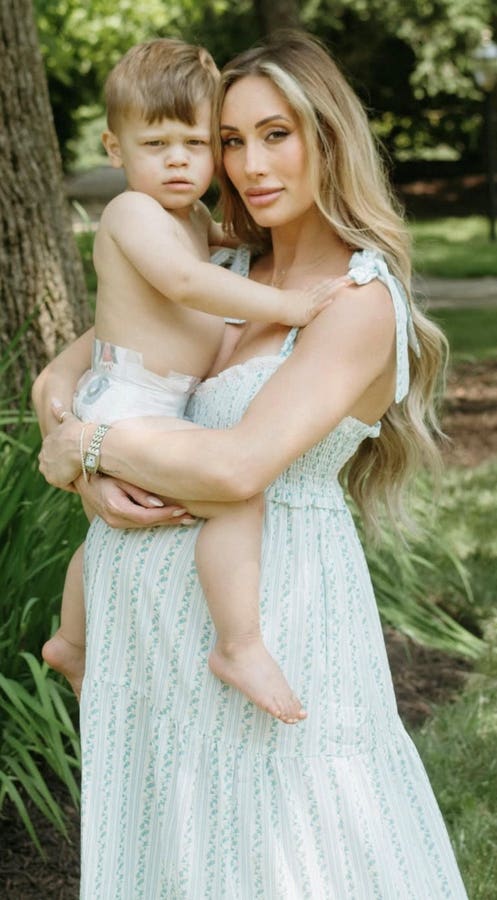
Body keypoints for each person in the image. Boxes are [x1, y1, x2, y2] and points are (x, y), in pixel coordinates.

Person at [35, 30, 468, 899]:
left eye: (277, 134)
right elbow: (63, 377)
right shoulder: (217, 265)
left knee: (289, 850)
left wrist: (81, 448)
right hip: (147, 633)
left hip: (278, 615)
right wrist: (81, 461)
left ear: (328, 138)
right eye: (230, 140)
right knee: (172, 851)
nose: (250, 164)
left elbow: (237, 469)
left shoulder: (355, 303)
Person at [41, 38, 338, 719]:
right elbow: (185, 280)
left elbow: (218, 251)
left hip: (147, 401)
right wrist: (289, 307)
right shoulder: (132, 213)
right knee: (236, 499)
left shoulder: (193, 217)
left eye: (196, 144)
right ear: (115, 150)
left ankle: (71, 641)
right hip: (130, 398)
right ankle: (239, 645)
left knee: (114, 529)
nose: (178, 160)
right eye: (156, 145)